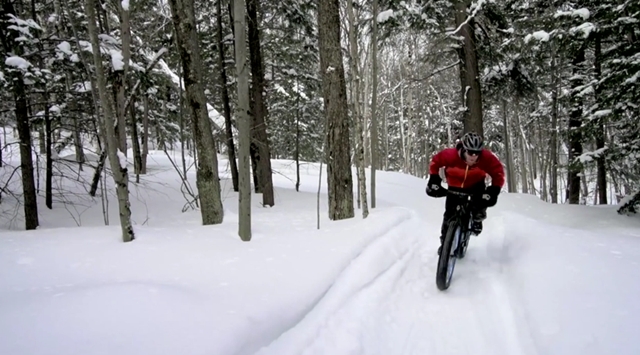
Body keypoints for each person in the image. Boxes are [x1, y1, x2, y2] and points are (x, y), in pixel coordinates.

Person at [425, 132, 505, 255]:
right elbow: (435, 162)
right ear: (464, 149)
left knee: (479, 202)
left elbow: (498, 173)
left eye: (477, 153)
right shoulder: (451, 155)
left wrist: (494, 189)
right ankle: (445, 244)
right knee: (448, 216)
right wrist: (434, 178)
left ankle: (478, 217)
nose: (473, 156)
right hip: (454, 185)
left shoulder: (486, 158)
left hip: (475, 185)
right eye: (470, 152)